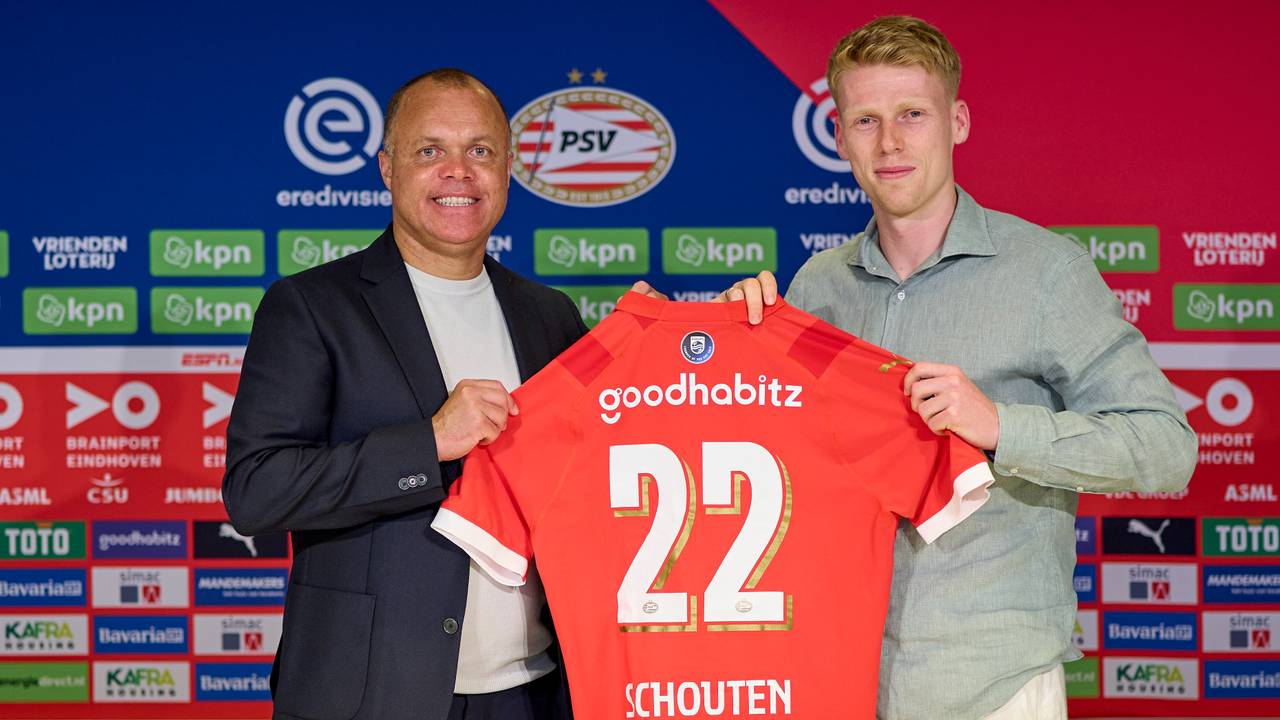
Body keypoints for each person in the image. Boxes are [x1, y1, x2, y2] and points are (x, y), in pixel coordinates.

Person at [714, 15, 1196, 720]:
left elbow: (1166, 447)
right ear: (840, 137)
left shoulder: (1046, 273)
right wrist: (734, 350)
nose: (889, 142)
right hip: (842, 675)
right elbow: (777, 464)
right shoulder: (816, 288)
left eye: (912, 114)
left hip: (996, 687)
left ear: (958, 122)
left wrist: (999, 426)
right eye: (866, 120)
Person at [223, 69, 584, 720]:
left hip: (534, 694)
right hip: (372, 696)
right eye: (430, 150)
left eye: (480, 150)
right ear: (388, 168)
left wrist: (696, 338)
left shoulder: (551, 316)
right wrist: (429, 442)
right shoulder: (312, 307)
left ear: (509, 169)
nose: (458, 171)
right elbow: (257, 491)